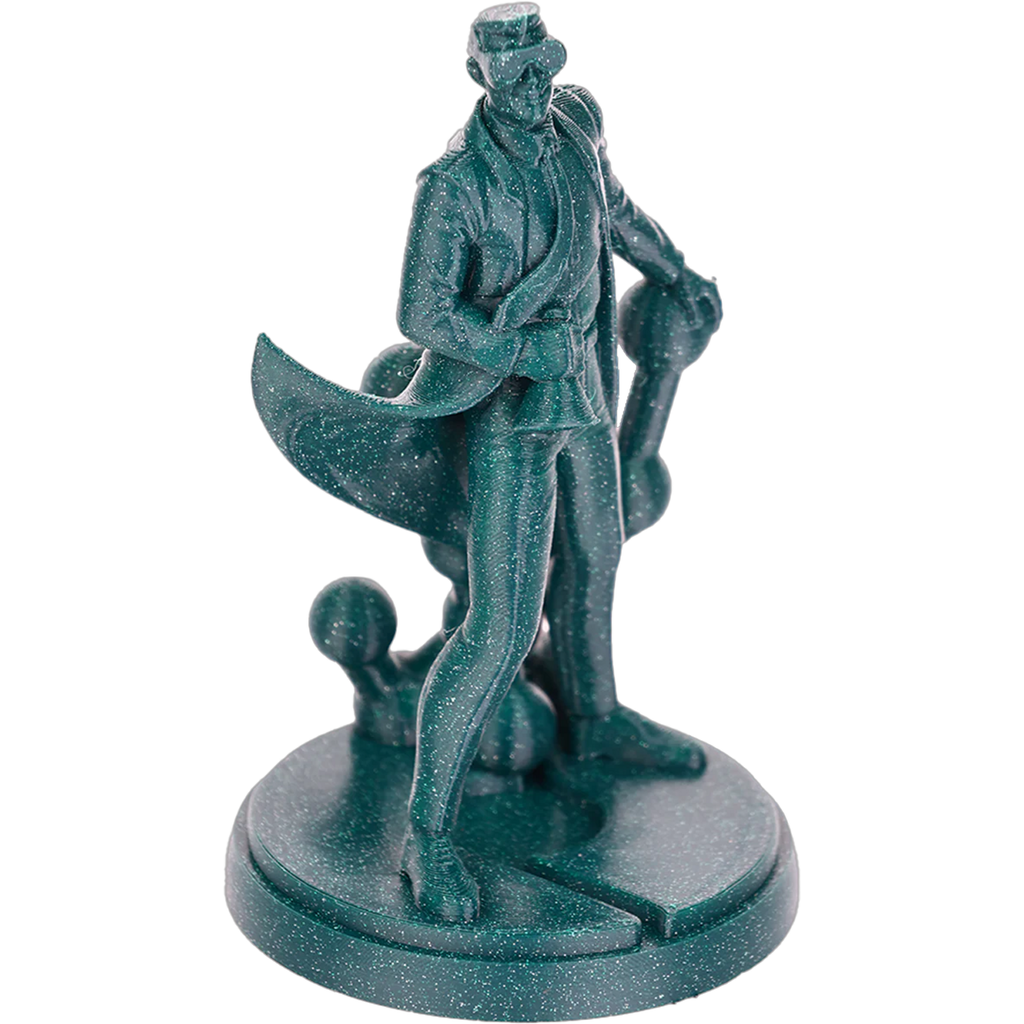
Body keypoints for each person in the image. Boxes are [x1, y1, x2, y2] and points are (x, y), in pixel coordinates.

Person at [392, 2, 723, 923]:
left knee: (598, 557)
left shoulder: (576, 125)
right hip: (509, 415)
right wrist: (514, 351)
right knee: (499, 627)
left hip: (586, 391)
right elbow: (421, 312)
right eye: (514, 70)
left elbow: (617, 214)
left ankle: (597, 721)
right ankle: (427, 834)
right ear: (478, 76)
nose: (535, 82)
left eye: (544, 62)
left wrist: (677, 273)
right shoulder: (454, 185)